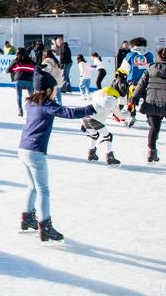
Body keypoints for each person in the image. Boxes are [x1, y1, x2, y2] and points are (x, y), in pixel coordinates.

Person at [17, 67, 95, 242]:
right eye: (55, 89)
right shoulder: (47, 105)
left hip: (22, 149)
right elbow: (69, 113)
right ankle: (45, 226)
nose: (56, 92)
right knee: (43, 189)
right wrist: (92, 108)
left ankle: (27, 217)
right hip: (36, 152)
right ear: (48, 90)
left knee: (33, 186)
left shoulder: (30, 103)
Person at [130, 47, 166, 163]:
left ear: (159, 57)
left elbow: (141, 84)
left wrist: (134, 98)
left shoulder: (150, 68)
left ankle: (151, 152)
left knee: (154, 127)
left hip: (151, 101)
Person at [82, 86, 129, 166]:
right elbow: (120, 116)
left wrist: (82, 123)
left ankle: (91, 153)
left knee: (94, 134)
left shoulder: (96, 99)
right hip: (96, 120)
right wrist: (128, 113)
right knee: (108, 136)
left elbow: (86, 108)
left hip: (85, 118)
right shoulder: (112, 103)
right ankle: (109, 157)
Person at [7, 48, 36, 117]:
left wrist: (11, 71)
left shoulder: (15, 61)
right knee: (32, 96)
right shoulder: (30, 60)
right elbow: (38, 66)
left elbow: (8, 70)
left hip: (18, 79)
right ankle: (32, 110)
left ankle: (20, 109)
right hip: (29, 79)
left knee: (19, 95)